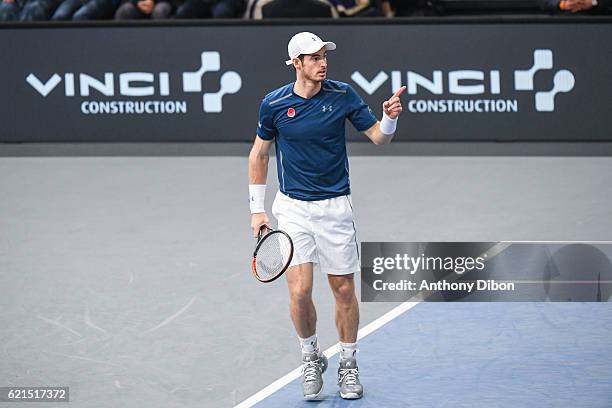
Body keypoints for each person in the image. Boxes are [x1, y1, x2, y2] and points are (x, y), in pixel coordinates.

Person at [247, 31, 404, 400]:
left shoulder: (342, 95)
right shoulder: (273, 104)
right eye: (314, 58)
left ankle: (348, 364)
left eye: (324, 56)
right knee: (300, 291)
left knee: (344, 289)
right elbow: (259, 155)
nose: (323, 62)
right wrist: (257, 210)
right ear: (296, 64)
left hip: (335, 207)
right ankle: (311, 357)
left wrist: (389, 118)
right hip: (293, 209)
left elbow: (380, 138)